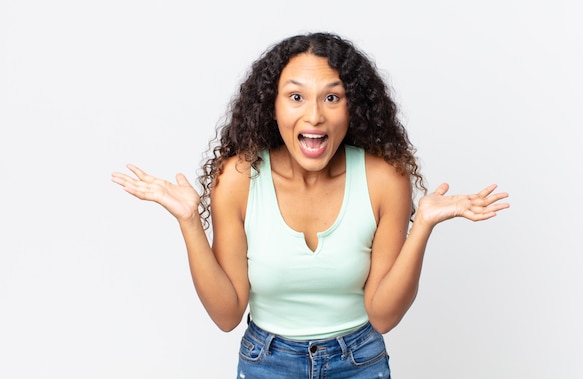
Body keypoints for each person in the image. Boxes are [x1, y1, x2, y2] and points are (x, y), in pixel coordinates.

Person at [111, 32, 509, 378]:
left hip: (360, 362)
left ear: (352, 108)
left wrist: (422, 224)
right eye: (296, 96)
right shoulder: (238, 178)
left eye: (332, 97)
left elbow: (383, 315)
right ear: (273, 105)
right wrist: (188, 222)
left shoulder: (385, 178)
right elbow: (227, 314)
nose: (314, 115)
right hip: (268, 362)